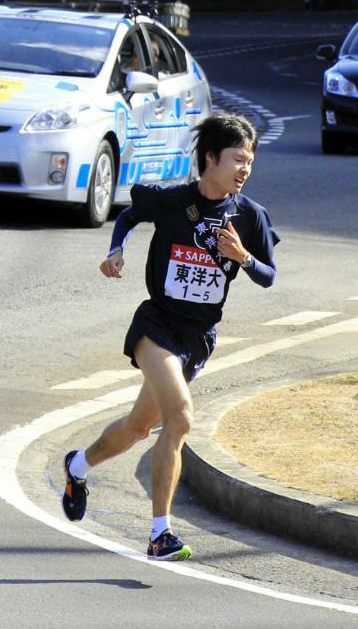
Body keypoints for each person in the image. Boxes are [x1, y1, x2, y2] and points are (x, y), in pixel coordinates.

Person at [61, 113, 280, 561]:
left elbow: (269, 276)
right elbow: (129, 215)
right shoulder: (175, 201)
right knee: (179, 417)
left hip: (198, 338)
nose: (245, 169)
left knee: (140, 427)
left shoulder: (249, 216)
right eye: (237, 160)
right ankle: (160, 533)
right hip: (156, 325)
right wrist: (115, 249)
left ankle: (78, 467)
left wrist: (242, 257)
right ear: (210, 159)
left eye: (251, 162)